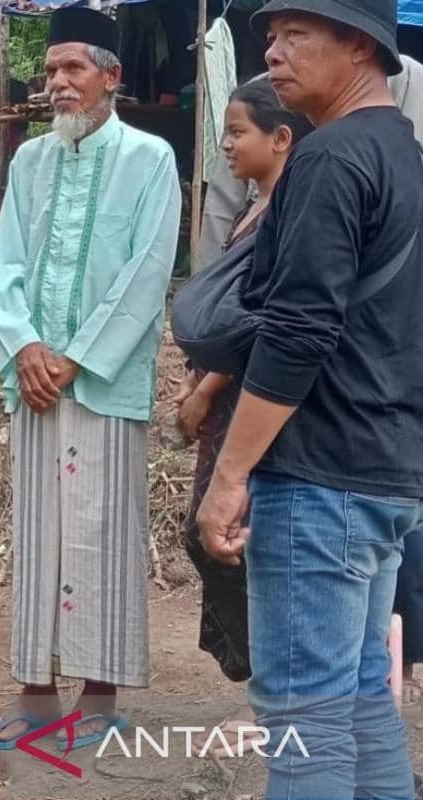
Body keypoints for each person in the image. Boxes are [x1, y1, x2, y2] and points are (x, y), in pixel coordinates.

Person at [196, 2, 423, 798]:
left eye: (297, 35)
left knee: (306, 720)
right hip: (386, 472)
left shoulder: (329, 160)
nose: (274, 52)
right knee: (360, 703)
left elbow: (297, 335)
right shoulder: (405, 152)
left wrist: (229, 478)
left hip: (320, 476)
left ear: (359, 47)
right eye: (269, 37)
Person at [0, 7, 181, 751]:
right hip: (33, 380)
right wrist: (27, 344)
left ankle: (100, 689)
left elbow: (146, 272)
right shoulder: (29, 162)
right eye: (51, 69)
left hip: (102, 379)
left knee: (102, 530)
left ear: (111, 77)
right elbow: (6, 264)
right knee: (38, 530)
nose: (58, 82)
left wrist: (76, 357)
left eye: (73, 68)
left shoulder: (150, 158)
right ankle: (36, 690)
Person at [173, 78, 313, 751]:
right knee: (219, 538)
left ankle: (275, 701)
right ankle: (267, 688)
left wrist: (207, 384)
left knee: (238, 542)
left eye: (237, 131)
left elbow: (269, 321)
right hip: (228, 401)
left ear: (281, 137)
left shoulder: (290, 210)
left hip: (260, 403)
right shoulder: (252, 210)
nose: (226, 143)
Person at [197, 53, 423, 266]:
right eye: (275, 35)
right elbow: (221, 210)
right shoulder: (269, 86)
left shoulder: (408, 81)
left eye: (297, 33)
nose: (273, 53)